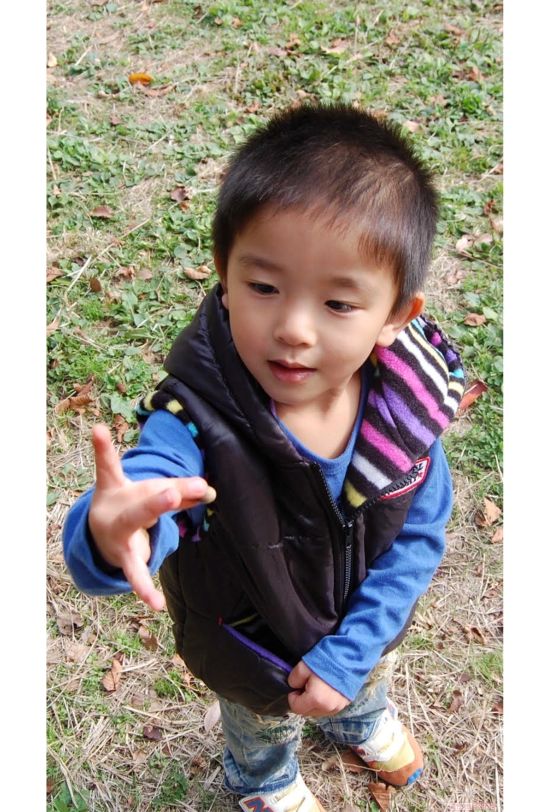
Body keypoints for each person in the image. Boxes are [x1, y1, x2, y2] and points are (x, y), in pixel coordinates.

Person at [63, 103, 465, 812]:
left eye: (339, 304)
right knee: (259, 721)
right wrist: (114, 530)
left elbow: (418, 536)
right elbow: (157, 485)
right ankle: (263, 776)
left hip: (362, 633)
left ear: (396, 315)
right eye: (264, 287)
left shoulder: (406, 414)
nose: (294, 329)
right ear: (224, 274)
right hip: (252, 648)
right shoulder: (196, 419)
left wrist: (350, 655)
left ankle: (357, 716)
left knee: (364, 678)